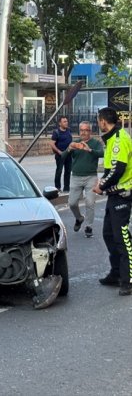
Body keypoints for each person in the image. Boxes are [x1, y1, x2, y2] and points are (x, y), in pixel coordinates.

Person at [93, 107, 132, 296]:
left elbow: (118, 169)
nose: (98, 124)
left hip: (123, 194)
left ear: (103, 121)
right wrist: (103, 183)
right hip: (114, 194)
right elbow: (110, 168)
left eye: (98, 121)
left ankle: (128, 280)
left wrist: (101, 186)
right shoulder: (111, 139)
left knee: (122, 238)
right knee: (109, 234)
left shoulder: (118, 140)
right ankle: (116, 273)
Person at [62, 121, 104, 238]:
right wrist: (69, 149)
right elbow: (62, 157)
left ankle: (88, 226)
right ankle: (79, 218)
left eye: (86, 130)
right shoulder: (75, 143)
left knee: (90, 202)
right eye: (81, 130)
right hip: (76, 177)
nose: (84, 132)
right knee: (72, 203)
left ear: (90, 131)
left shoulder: (95, 143)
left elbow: (102, 153)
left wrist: (89, 150)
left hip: (91, 177)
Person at [51, 116, 73, 193]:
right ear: (60, 123)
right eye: (64, 121)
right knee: (59, 171)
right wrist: (59, 151)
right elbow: (52, 144)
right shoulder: (56, 132)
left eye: (66, 121)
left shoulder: (69, 130)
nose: (66, 123)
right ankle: (57, 187)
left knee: (68, 171)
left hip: (69, 154)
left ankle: (66, 188)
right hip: (60, 155)